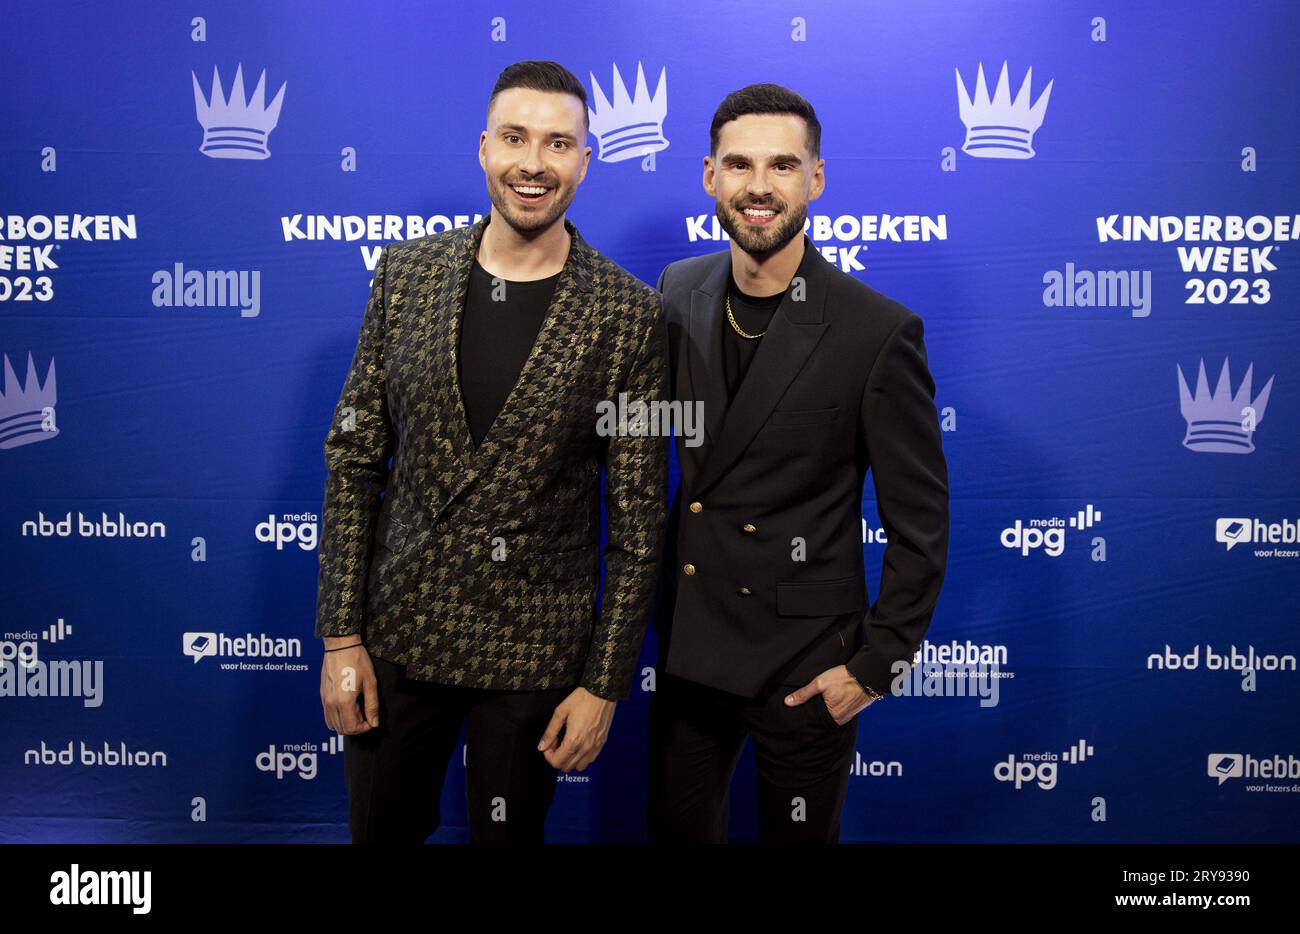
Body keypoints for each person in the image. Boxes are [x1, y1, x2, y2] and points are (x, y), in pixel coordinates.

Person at [315, 60, 667, 843]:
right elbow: (354, 461)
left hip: (536, 659)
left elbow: (639, 526)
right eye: (515, 138)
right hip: (397, 639)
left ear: (585, 158)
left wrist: (605, 684)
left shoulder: (629, 317)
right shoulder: (406, 275)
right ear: (483, 148)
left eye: (557, 143)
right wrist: (341, 637)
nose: (533, 164)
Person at [648, 84, 950, 842]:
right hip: (691, 650)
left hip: (809, 666)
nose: (759, 186)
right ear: (709, 176)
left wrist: (876, 667)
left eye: (782, 165)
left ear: (815, 179)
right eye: (739, 164)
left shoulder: (876, 330)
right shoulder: (677, 291)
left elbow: (920, 525)